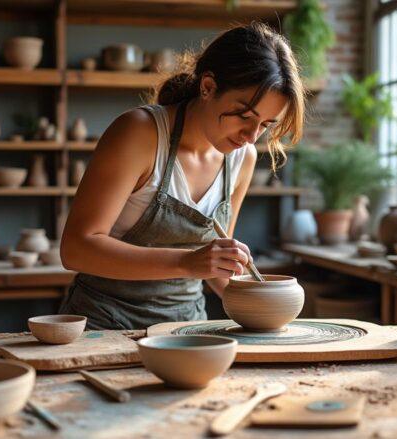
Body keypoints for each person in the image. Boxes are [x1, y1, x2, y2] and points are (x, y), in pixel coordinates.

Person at [59, 22, 306, 330]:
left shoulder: (242, 157)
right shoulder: (140, 134)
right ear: (208, 87)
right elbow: (76, 249)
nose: (251, 136)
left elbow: (217, 267)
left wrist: (263, 303)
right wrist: (186, 263)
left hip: (187, 328)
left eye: (266, 125)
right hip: (105, 323)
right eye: (244, 115)